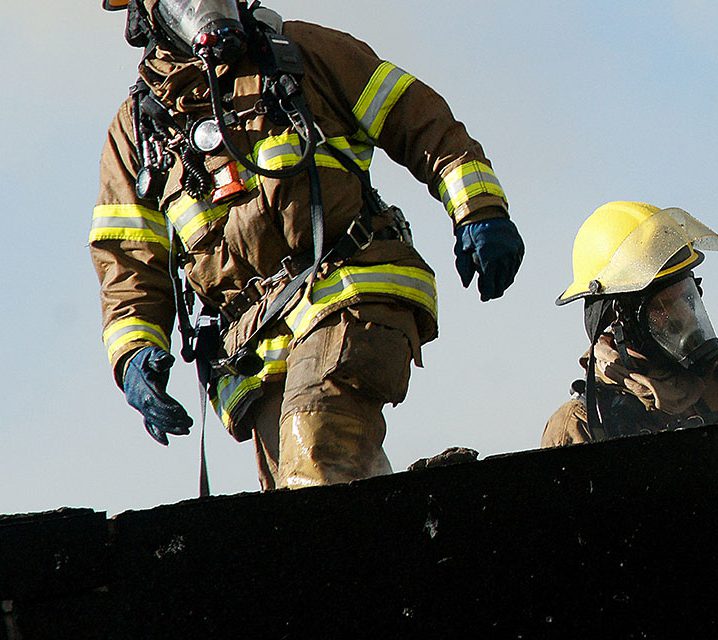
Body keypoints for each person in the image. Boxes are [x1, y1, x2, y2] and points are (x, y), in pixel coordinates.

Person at [91, 0, 524, 489]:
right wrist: (135, 354)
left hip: (349, 290)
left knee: (317, 448)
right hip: (254, 350)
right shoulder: (138, 132)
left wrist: (478, 209)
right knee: (296, 507)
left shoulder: (301, 55)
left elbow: (423, 123)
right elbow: (128, 262)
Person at [542, 201, 718, 446]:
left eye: (686, 298)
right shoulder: (582, 424)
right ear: (620, 320)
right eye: (664, 305)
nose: (682, 314)